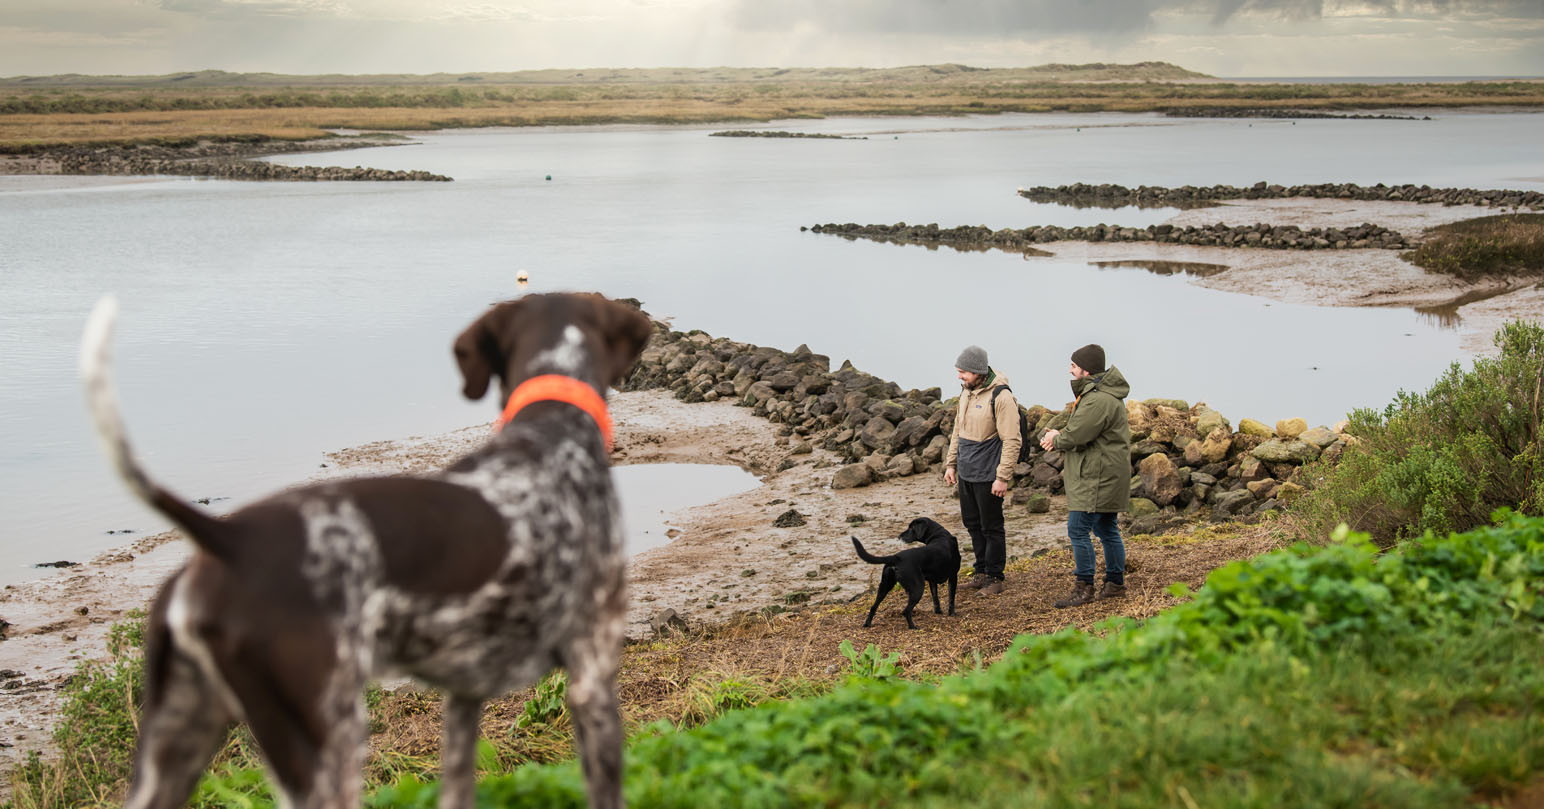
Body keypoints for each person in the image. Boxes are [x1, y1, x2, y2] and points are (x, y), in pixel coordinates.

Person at [1039, 344, 1131, 607]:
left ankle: (1084, 588)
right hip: (1106, 473)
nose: (1070, 369)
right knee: (1106, 528)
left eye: (1074, 366)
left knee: (1078, 529)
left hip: (1097, 476)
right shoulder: (1100, 395)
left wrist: (1056, 439)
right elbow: (1080, 431)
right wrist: (1059, 437)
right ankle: (1114, 583)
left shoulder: (1098, 399)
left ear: (1086, 370)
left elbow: (1077, 435)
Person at [943, 345, 1022, 596]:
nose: (959, 376)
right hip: (966, 470)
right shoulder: (966, 392)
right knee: (973, 524)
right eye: (958, 371)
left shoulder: (1001, 396)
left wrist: (1002, 477)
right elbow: (958, 430)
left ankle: (995, 577)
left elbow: (1012, 440)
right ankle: (980, 571)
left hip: (989, 473)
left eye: (963, 372)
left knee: (991, 527)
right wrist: (951, 464)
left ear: (978, 371)